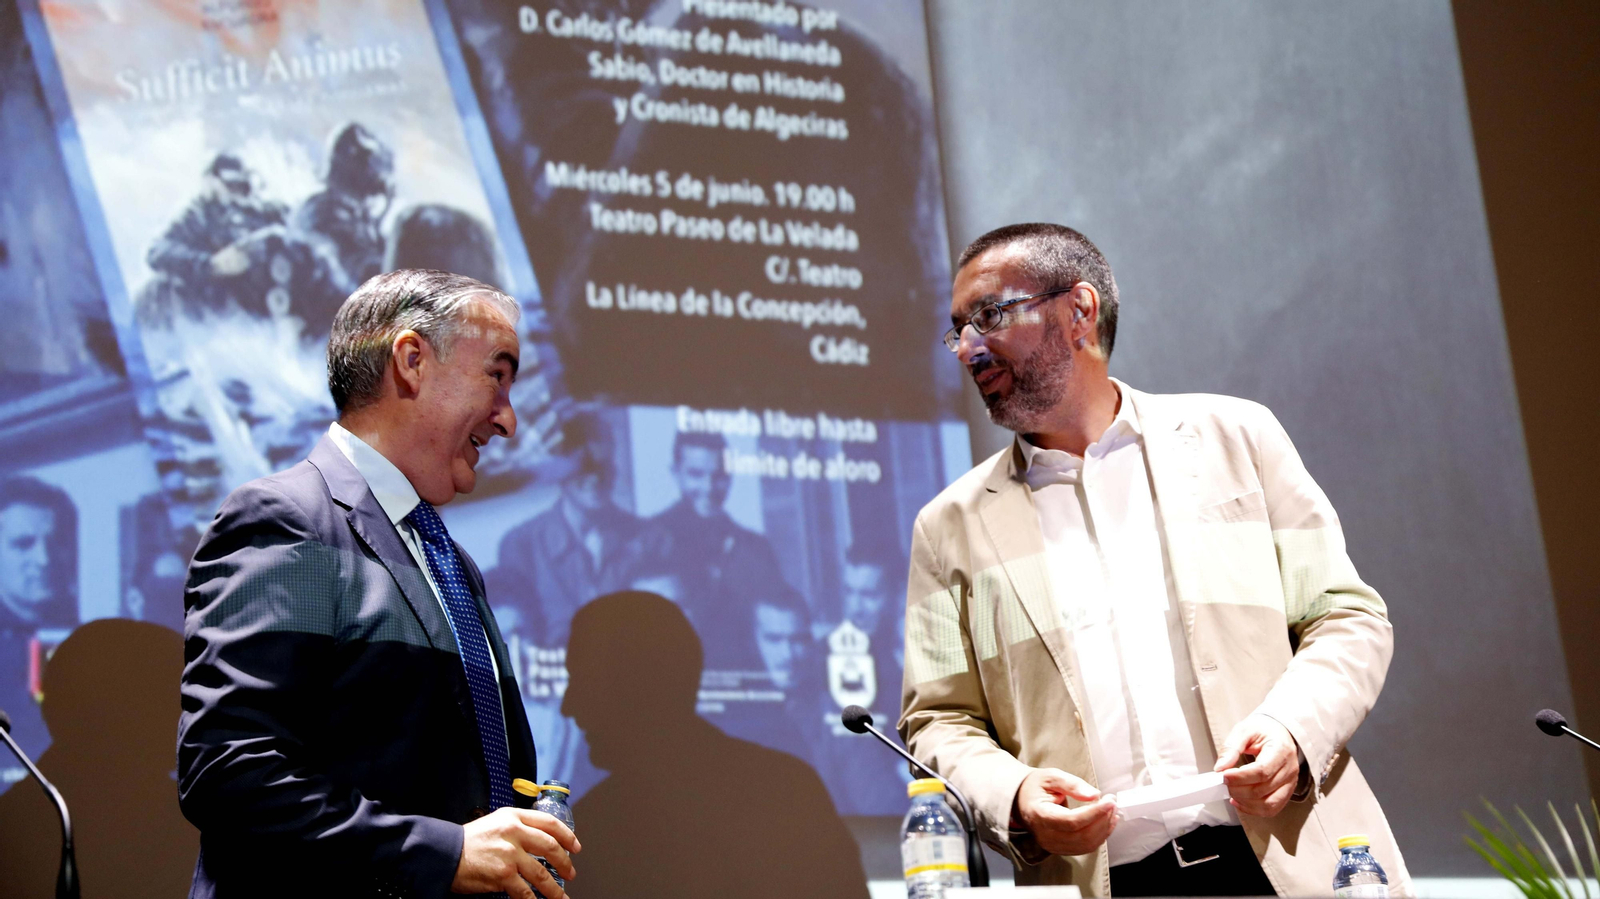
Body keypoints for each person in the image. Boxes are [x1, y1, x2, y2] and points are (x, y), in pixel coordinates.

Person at [899, 224, 1409, 897]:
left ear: (1079, 311)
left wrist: (1292, 729)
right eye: (958, 328)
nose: (968, 347)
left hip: (1289, 865)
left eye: (989, 316)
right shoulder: (947, 528)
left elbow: (1346, 615)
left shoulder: (1238, 439)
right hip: (1104, 882)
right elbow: (937, 717)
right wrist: (1017, 794)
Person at [177, 269, 580, 898]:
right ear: (412, 361)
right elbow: (236, 772)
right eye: (496, 377)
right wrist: (445, 853)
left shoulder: (448, 559)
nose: (509, 421)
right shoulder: (295, 524)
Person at [639, 431, 785, 665]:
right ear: (675, 474)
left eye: (719, 476)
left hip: (741, 684)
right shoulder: (646, 542)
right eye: (696, 475)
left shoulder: (756, 549)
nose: (708, 488)